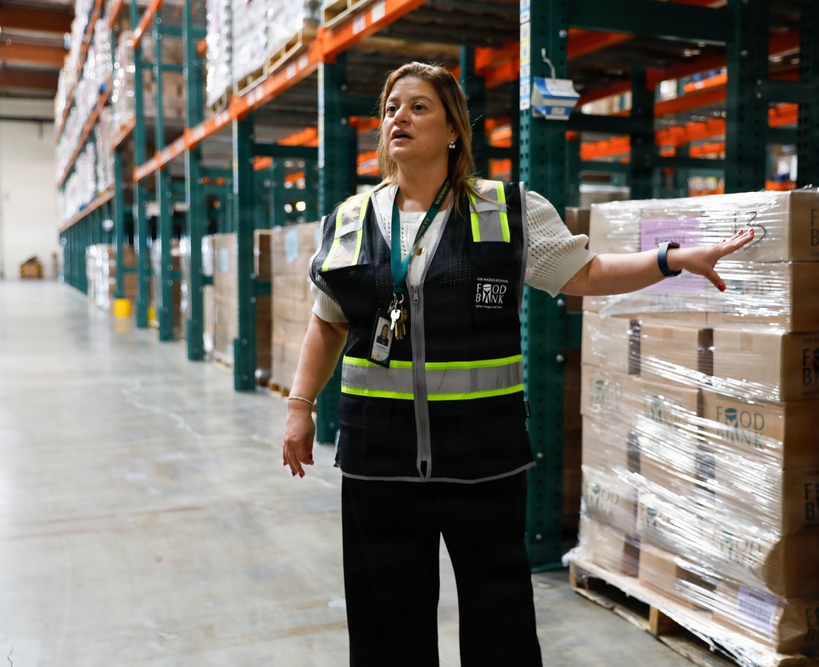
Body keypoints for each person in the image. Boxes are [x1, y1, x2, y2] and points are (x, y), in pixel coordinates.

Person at [282, 62, 754, 666]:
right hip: (380, 463)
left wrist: (672, 259)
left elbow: (584, 273)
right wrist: (299, 407)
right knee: (384, 625)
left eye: (418, 106)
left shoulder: (508, 210)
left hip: (483, 462)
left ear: (454, 129)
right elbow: (327, 321)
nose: (398, 116)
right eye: (390, 107)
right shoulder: (350, 220)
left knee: (499, 621)